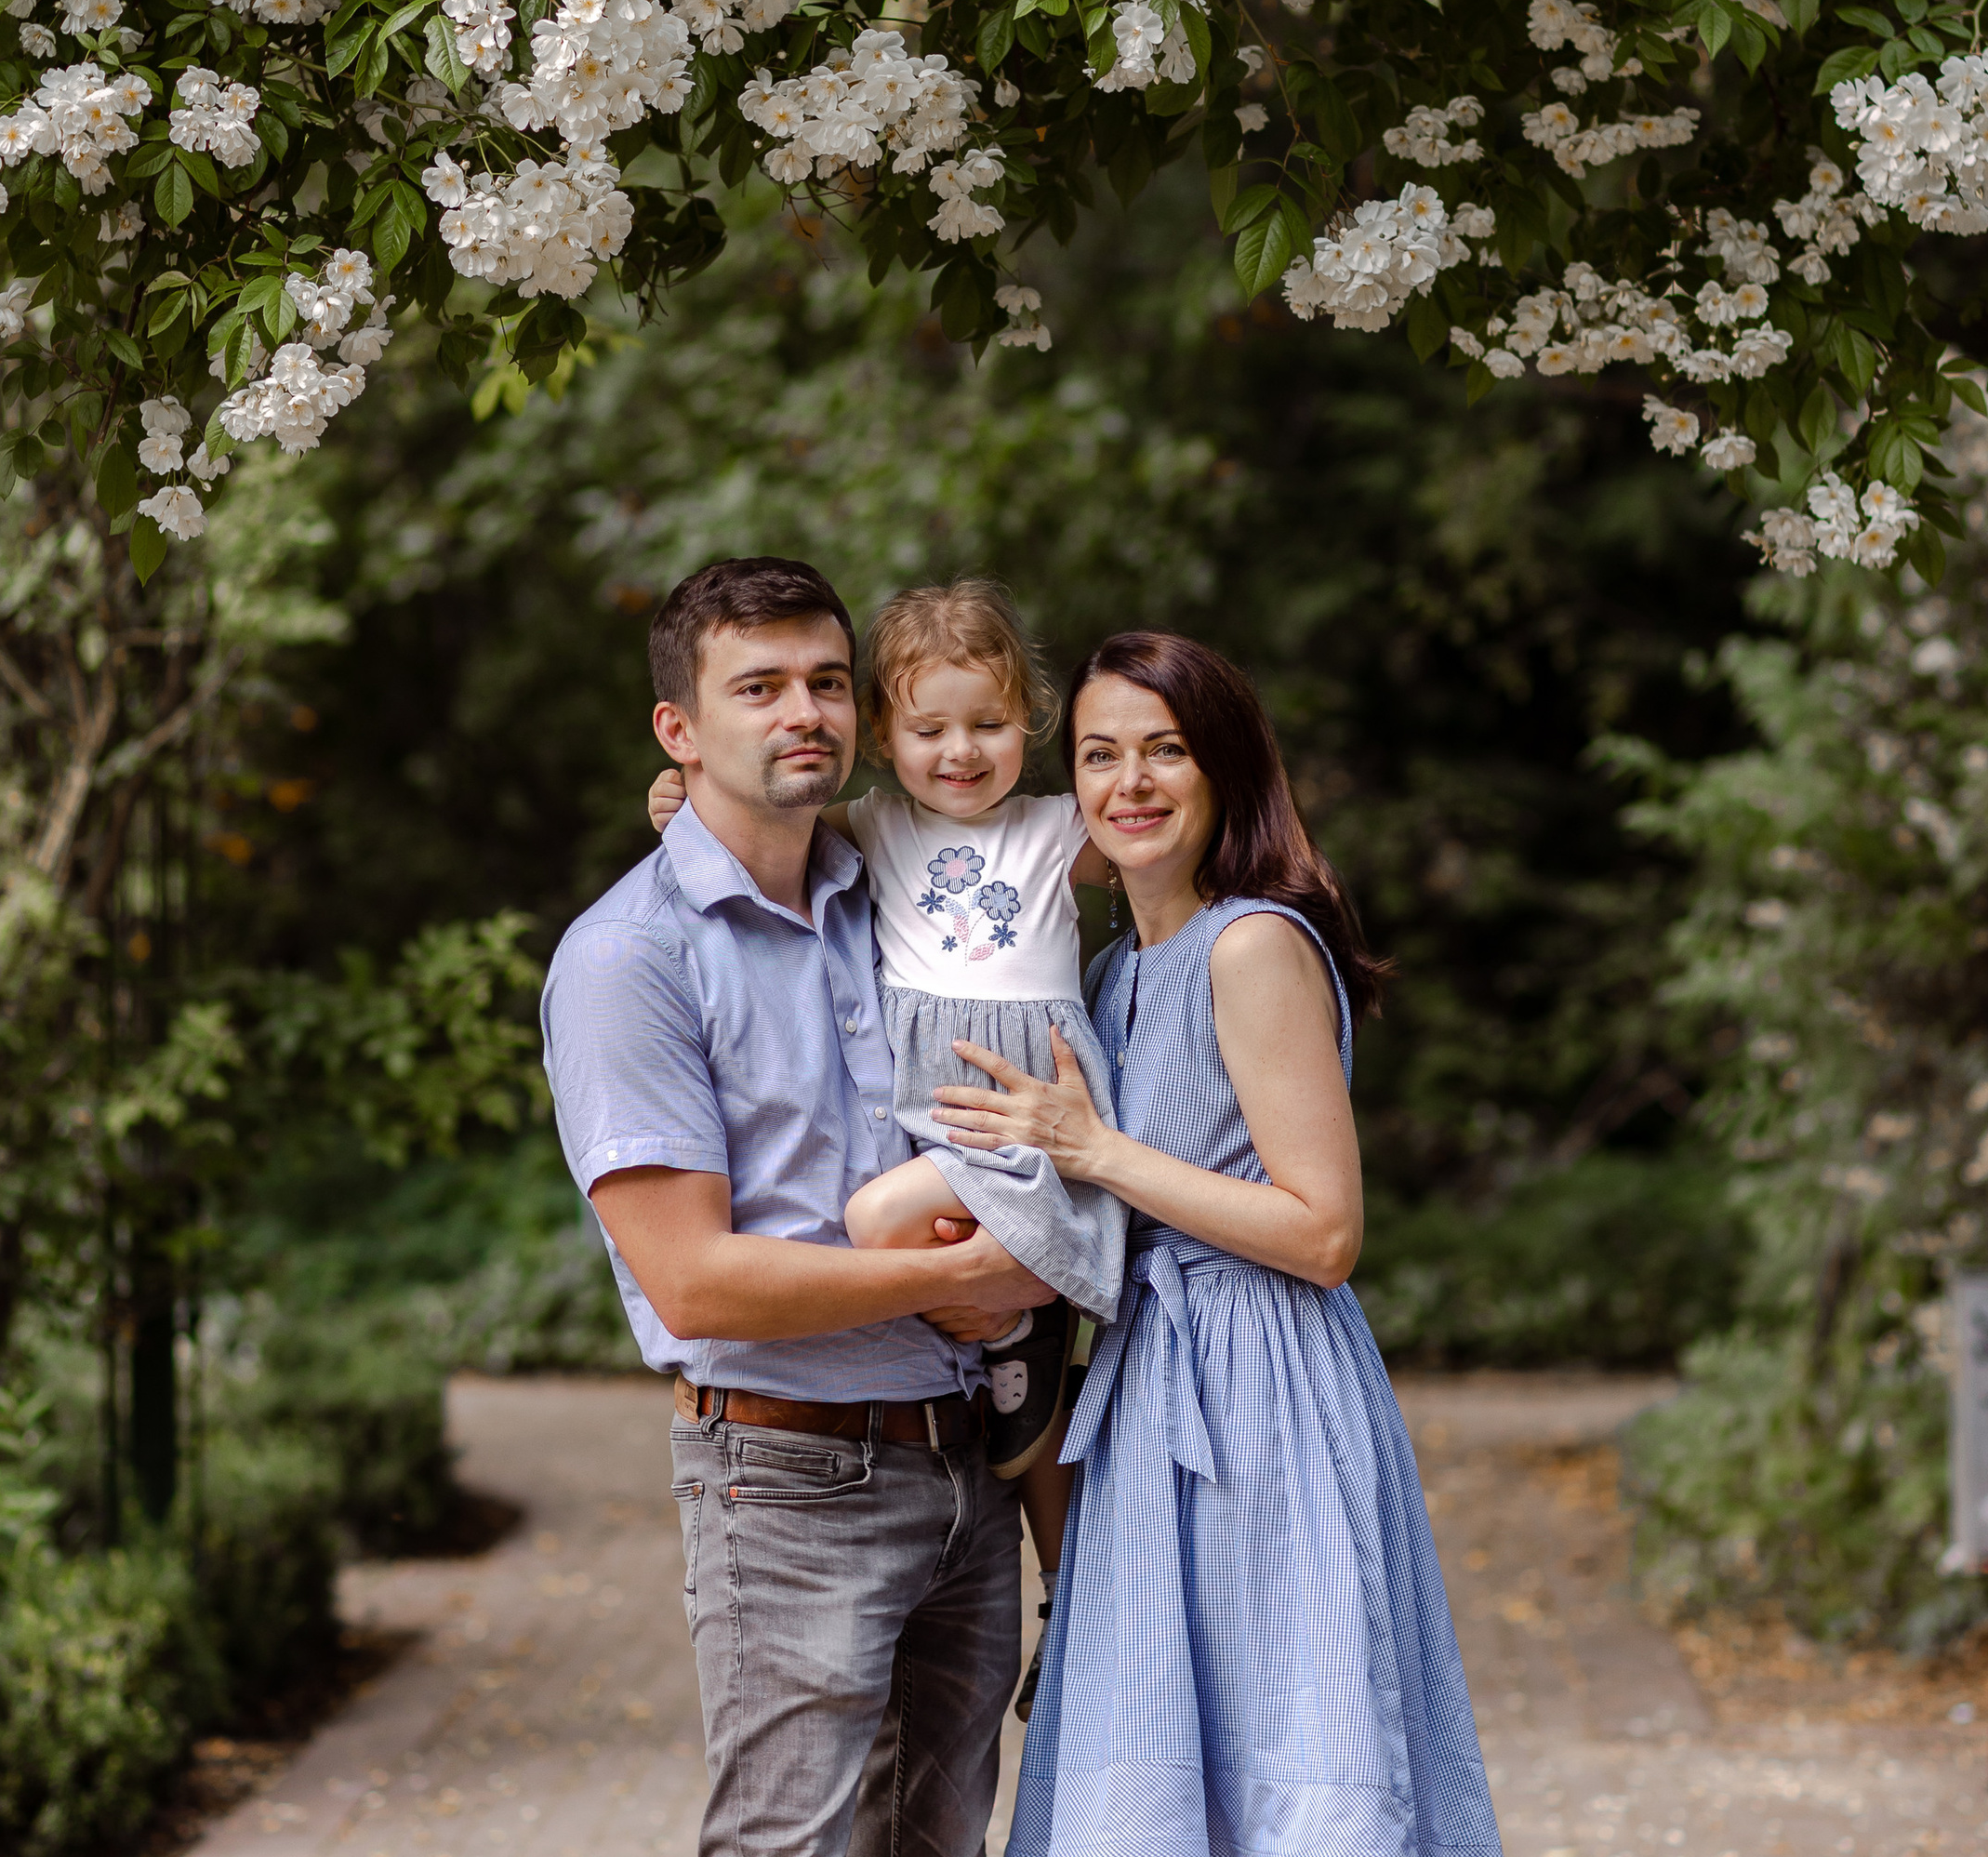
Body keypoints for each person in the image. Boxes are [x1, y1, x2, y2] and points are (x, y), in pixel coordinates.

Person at [944, 630, 1504, 1857]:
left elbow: (1326, 1231)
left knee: (1287, 1753)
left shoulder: (1251, 946)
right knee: (1155, 1762)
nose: (1131, 782)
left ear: (1226, 770)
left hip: (1271, 1396)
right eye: (1100, 755)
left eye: (1166, 750)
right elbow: (930, 830)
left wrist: (1097, 1155)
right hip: (1151, 1385)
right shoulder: (1106, 974)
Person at [540, 556, 1053, 1857]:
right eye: (757, 687)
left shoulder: (889, 893)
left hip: (964, 1463)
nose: (801, 713)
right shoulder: (630, 958)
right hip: (788, 1476)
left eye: (826, 682)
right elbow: (695, 1282)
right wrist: (983, 1272)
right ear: (680, 728)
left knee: (938, 1842)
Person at [653, 577, 1128, 1717]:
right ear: (883, 732)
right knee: (1028, 1421)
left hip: (1021, 1111)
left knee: (878, 1227)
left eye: (990, 724)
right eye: (928, 728)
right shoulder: (867, 829)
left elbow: (1172, 831)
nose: (961, 751)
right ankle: (1028, 1364)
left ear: (1033, 724)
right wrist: (677, 789)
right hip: (938, 1121)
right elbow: (733, 810)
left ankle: (1022, 1337)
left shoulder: (1063, 827)